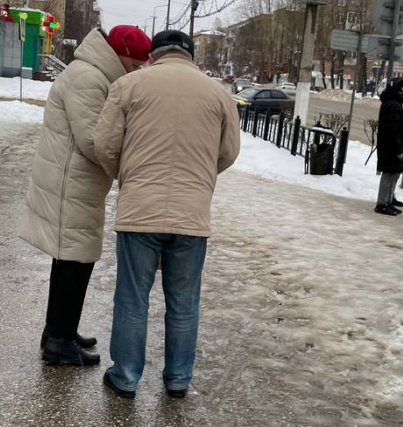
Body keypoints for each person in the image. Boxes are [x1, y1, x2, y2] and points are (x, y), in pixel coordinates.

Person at [94, 30, 240, 399]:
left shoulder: (129, 85)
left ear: (153, 55)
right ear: (189, 55)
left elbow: (105, 145)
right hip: (192, 216)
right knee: (184, 301)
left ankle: (125, 377)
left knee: (132, 298)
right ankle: (178, 378)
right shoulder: (219, 94)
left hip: (139, 210)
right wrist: (198, 179)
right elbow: (228, 152)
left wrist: (129, 175)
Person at [19, 25, 151, 366]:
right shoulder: (89, 78)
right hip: (70, 184)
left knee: (70, 260)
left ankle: (59, 330)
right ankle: (59, 342)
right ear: (120, 54)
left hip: (76, 183)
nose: (135, 71)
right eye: (134, 64)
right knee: (75, 261)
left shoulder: (93, 74)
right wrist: (129, 164)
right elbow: (94, 141)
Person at [375, 77, 403, 216]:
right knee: (389, 174)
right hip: (391, 146)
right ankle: (382, 203)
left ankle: (388, 201)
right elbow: (393, 129)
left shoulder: (395, 103)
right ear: (397, 89)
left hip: (392, 145)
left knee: (394, 173)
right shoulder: (392, 105)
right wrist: (398, 149)